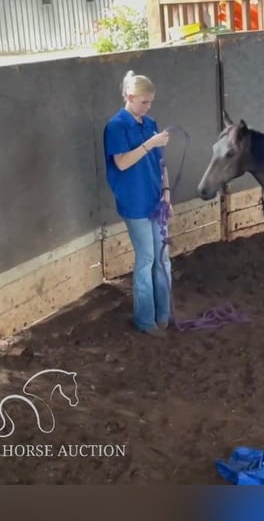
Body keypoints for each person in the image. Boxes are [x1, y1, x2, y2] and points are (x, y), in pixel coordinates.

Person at [103, 70, 174, 336]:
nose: (148, 106)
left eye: (150, 102)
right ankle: (146, 320)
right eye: (144, 102)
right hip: (134, 201)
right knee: (146, 258)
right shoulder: (116, 126)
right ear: (130, 97)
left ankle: (164, 314)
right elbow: (121, 162)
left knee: (162, 257)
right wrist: (149, 143)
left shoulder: (150, 122)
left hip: (155, 198)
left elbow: (160, 161)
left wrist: (166, 190)